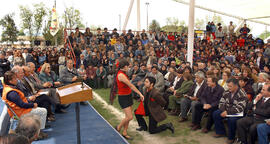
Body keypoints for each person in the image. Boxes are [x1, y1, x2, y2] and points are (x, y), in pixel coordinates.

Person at [2, 71, 48, 140]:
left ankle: (37, 129)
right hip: (21, 112)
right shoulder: (11, 93)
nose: (16, 79)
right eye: (14, 78)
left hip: (19, 110)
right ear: (10, 81)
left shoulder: (8, 88)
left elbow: (21, 102)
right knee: (43, 111)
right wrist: (33, 105)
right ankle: (37, 133)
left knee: (41, 107)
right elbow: (22, 105)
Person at [115, 59, 144, 140]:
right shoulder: (121, 75)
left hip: (128, 96)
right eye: (128, 66)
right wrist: (140, 93)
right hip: (123, 97)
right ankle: (118, 127)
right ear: (124, 67)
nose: (129, 68)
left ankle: (124, 132)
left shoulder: (124, 73)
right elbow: (131, 85)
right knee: (130, 117)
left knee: (127, 116)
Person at [213, 78, 248, 144]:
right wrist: (223, 110)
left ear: (236, 86)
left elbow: (240, 108)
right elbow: (221, 103)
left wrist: (227, 112)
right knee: (216, 113)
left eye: (230, 86)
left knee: (232, 120)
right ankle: (220, 132)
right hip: (227, 110)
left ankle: (231, 137)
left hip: (238, 113)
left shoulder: (242, 94)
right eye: (228, 86)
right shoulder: (226, 92)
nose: (228, 88)